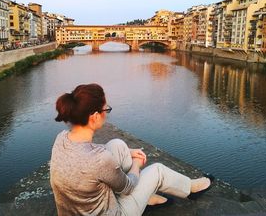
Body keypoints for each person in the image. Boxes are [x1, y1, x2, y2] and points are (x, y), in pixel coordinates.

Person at [50, 83, 211, 216]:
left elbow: (86, 152)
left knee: (118, 145)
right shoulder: (100, 160)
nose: (107, 113)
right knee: (157, 171)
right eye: (106, 110)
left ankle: (145, 197)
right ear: (95, 116)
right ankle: (190, 188)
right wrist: (136, 164)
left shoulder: (62, 138)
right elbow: (128, 186)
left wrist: (128, 151)